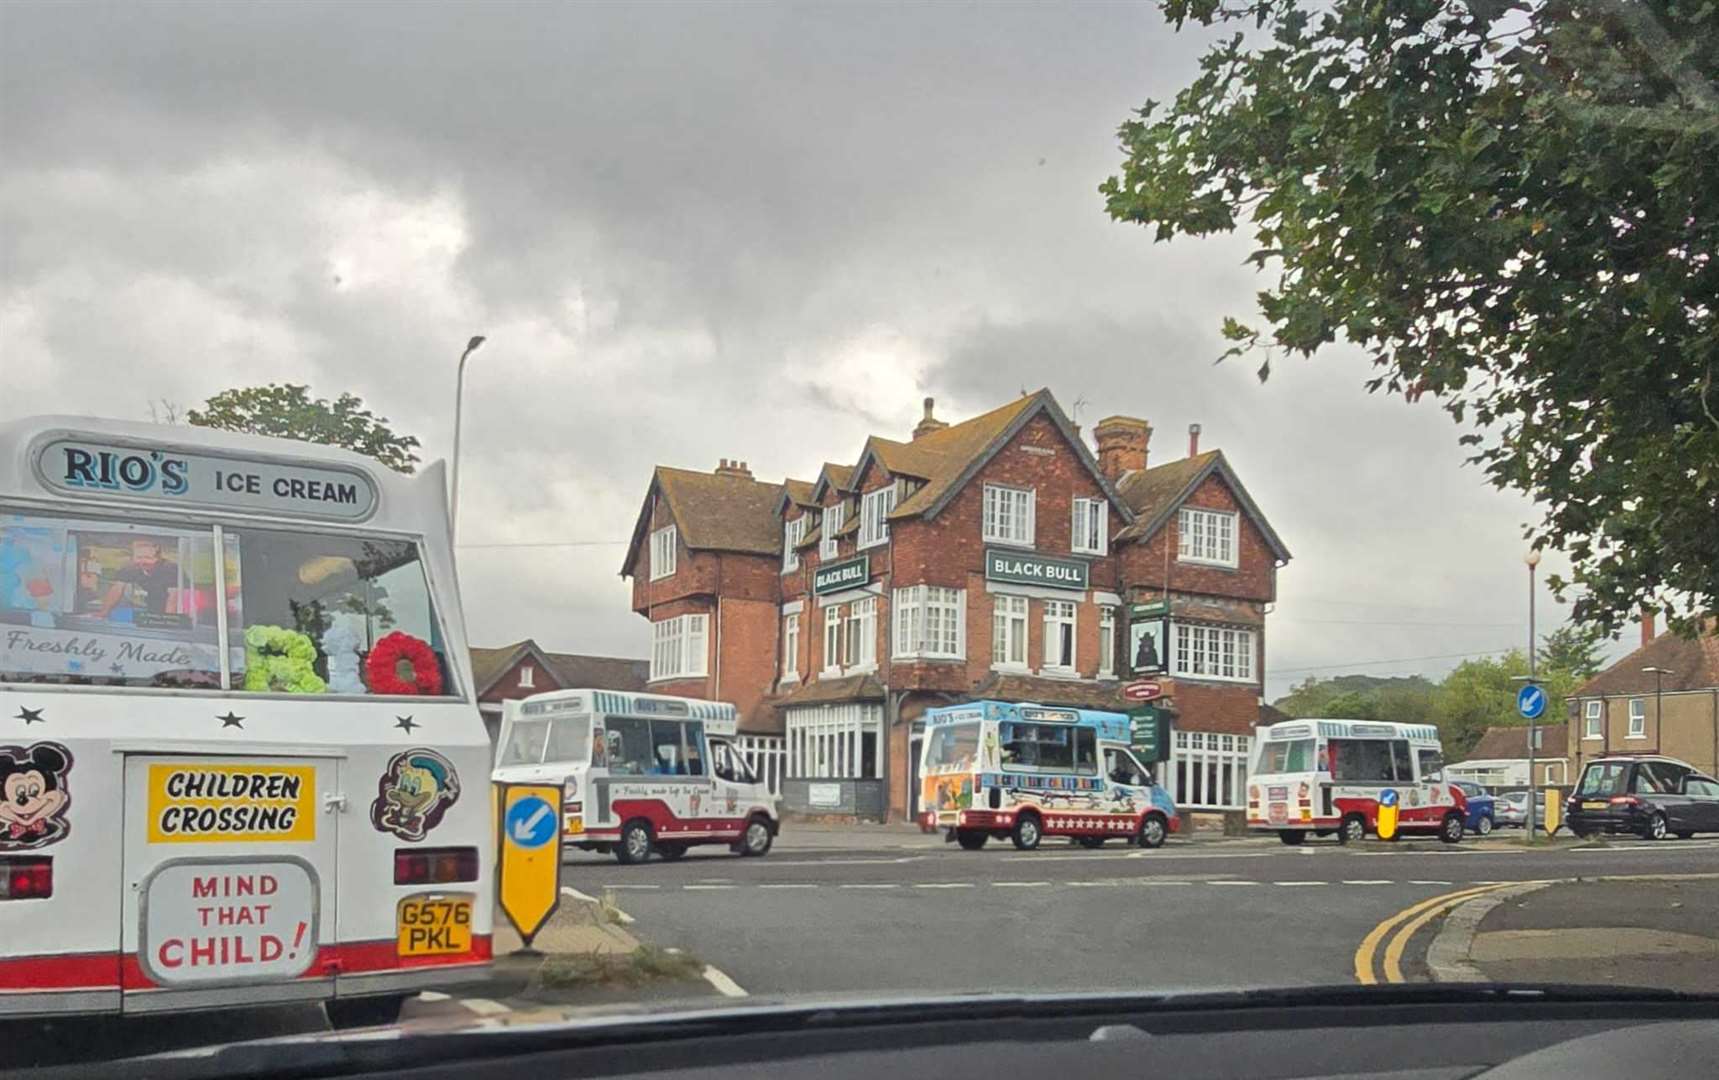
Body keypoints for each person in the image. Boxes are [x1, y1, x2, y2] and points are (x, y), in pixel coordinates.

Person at [96, 538, 179, 618]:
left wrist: (168, 619)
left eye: (148, 558)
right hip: (147, 602)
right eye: (139, 557)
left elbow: (173, 598)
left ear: (158, 558)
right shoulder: (130, 567)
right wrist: (104, 612)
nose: (142, 561)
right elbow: (117, 589)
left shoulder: (170, 569)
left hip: (170, 604)